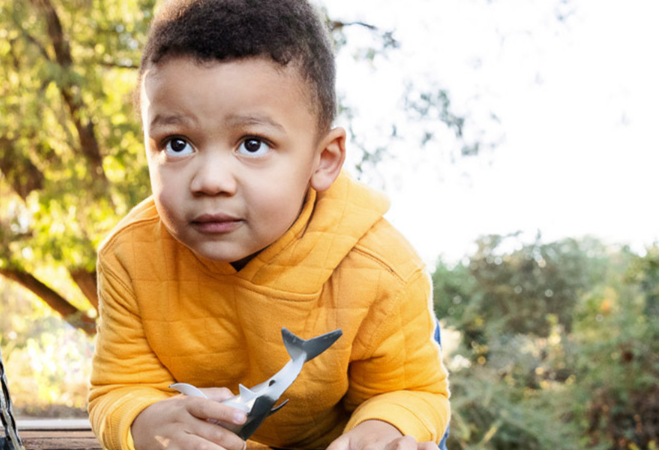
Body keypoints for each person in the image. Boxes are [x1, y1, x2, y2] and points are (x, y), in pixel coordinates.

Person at [87, 1, 450, 449]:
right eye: (177, 144)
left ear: (324, 159)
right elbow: (118, 386)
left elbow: (411, 389)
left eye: (252, 144)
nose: (210, 181)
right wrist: (144, 421)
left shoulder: (385, 269)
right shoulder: (128, 257)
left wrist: (378, 434)